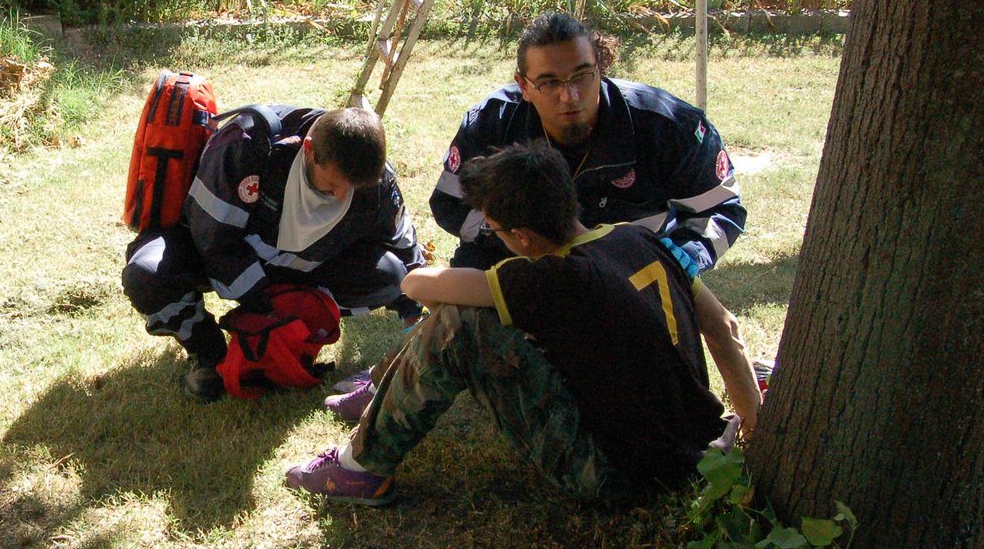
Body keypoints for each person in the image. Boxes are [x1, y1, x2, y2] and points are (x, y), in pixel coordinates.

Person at [285, 143, 761, 508]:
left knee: (460, 323)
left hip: (620, 476)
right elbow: (724, 328)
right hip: (695, 449)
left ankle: (361, 465)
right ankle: (382, 393)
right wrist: (755, 431)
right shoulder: (640, 238)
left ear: (524, 237)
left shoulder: (547, 277)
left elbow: (416, 285)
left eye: (494, 229)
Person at [122, 105, 425, 400]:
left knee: (392, 275)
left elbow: (405, 247)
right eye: (333, 184)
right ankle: (207, 351)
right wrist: (265, 307)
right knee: (147, 275)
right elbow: (213, 240)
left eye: (353, 188)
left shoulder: (377, 178)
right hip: (210, 251)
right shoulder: (248, 145)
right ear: (308, 149)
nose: (343, 195)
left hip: (297, 263)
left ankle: (299, 331)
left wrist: (418, 314)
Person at [430, 11, 745, 274]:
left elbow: (721, 209)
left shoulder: (668, 126)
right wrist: (513, 236)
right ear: (523, 86)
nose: (570, 96)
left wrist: (678, 261)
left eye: (582, 76)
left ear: (600, 68)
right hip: (511, 264)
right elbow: (450, 204)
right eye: (550, 82)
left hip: (629, 271)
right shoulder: (491, 124)